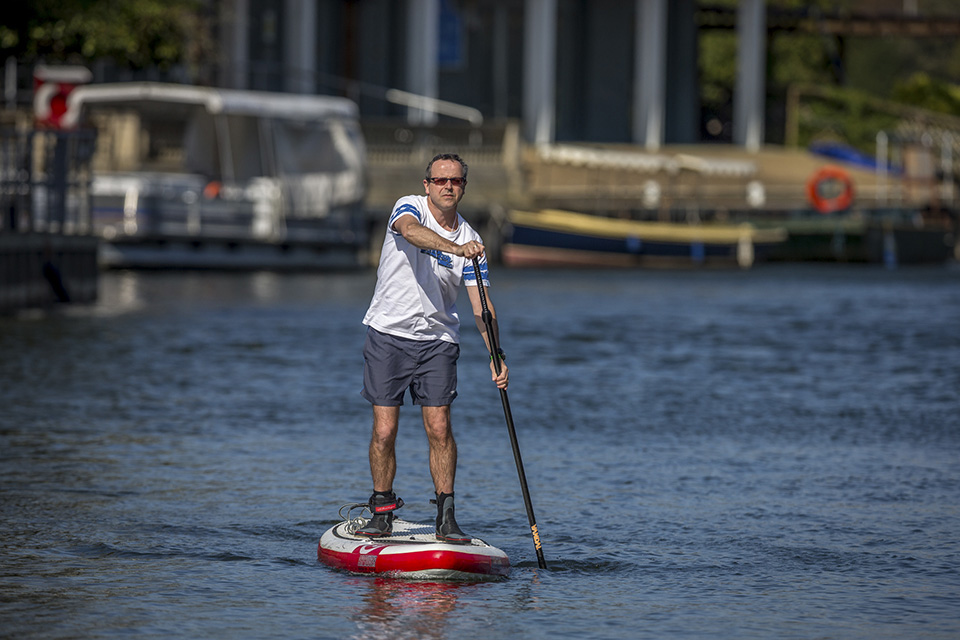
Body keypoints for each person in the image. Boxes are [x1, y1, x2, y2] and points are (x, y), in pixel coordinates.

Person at [357, 153, 509, 544]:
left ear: (463, 187)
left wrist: (496, 354)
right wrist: (454, 249)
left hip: (438, 340)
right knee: (385, 428)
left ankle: (446, 516)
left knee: (439, 427)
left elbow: (481, 306)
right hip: (389, 333)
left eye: (455, 181)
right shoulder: (409, 206)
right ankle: (382, 509)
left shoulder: (473, 241)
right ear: (427, 184)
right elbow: (409, 232)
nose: (447, 186)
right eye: (440, 180)